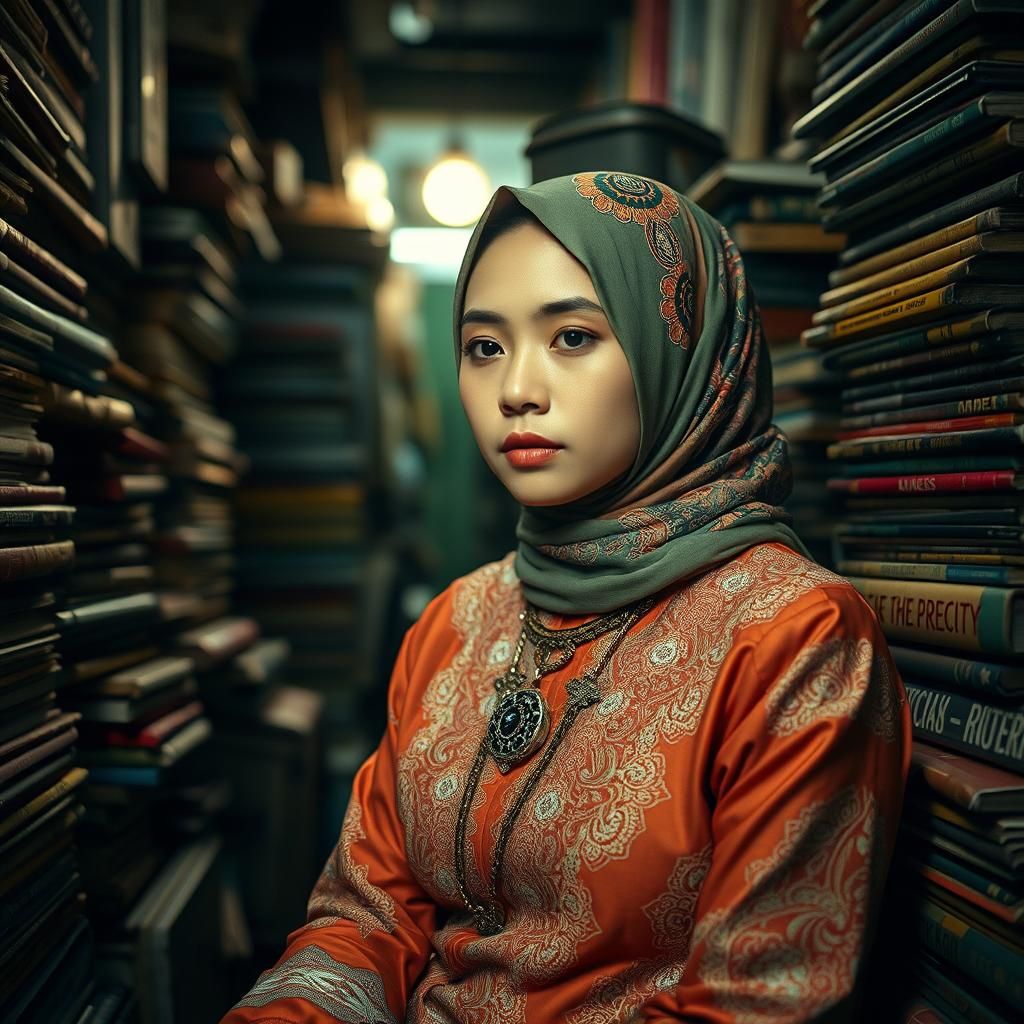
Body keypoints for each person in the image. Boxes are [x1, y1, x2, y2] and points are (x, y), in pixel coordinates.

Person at [221, 171, 911, 1023]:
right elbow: (368, 913)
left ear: (682, 353)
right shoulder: (458, 619)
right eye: (484, 346)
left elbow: (756, 1005)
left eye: (573, 336)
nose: (517, 388)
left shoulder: (797, 639)